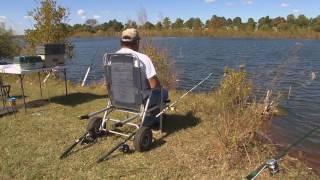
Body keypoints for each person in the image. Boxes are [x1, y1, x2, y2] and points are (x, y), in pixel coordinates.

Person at [116, 28, 168, 128]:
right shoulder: (143, 58)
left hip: (118, 98)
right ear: (136, 42)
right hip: (137, 99)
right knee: (163, 92)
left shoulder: (111, 57)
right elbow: (154, 85)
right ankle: (152, 120)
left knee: (152, 93)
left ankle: (150, 117)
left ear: (121, 42)